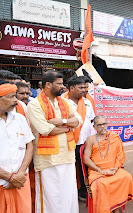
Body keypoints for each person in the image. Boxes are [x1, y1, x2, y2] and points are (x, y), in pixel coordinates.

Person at [27, 71, 83, 212]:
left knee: (68, 193)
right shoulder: (34, 105)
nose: (63, 87)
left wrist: (61, 122)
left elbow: (79, 121)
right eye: (59, 84)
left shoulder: (64, 102)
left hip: (67, 156)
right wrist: (67, 128)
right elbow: (45, 129)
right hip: (48, 159)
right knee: (51, 196)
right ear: (48, 84)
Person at [84, 115, 133, 212]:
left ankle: (115, 207)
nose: (102, 127)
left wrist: (115, 168)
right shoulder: (91, 139)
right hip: (97, 171)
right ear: (94, 127)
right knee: (101, 184)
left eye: (104, 124)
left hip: (112, 169)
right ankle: (111, 209)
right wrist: (100, 170)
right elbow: (86, 159)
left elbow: (120, 156)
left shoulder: (114, 137)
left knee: (126, 176)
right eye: (99, 125)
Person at [0, 80, 34, 213]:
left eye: (15, 96)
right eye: (11, 97)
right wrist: (9, 177)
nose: (16, 100)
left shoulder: (19, 118)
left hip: (20, 182)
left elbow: (29, 146)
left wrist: (19, 175)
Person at [62, 76, 96, 201]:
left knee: (84, 168)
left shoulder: (87, 101)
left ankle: (83, 192)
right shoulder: (61, 102)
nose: (85, 90)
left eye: (86, 87)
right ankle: (69, 194)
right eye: (81, 87)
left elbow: (91, 119)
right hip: (67, 142)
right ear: (71, 88)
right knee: (69, 169)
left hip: (85, 142)